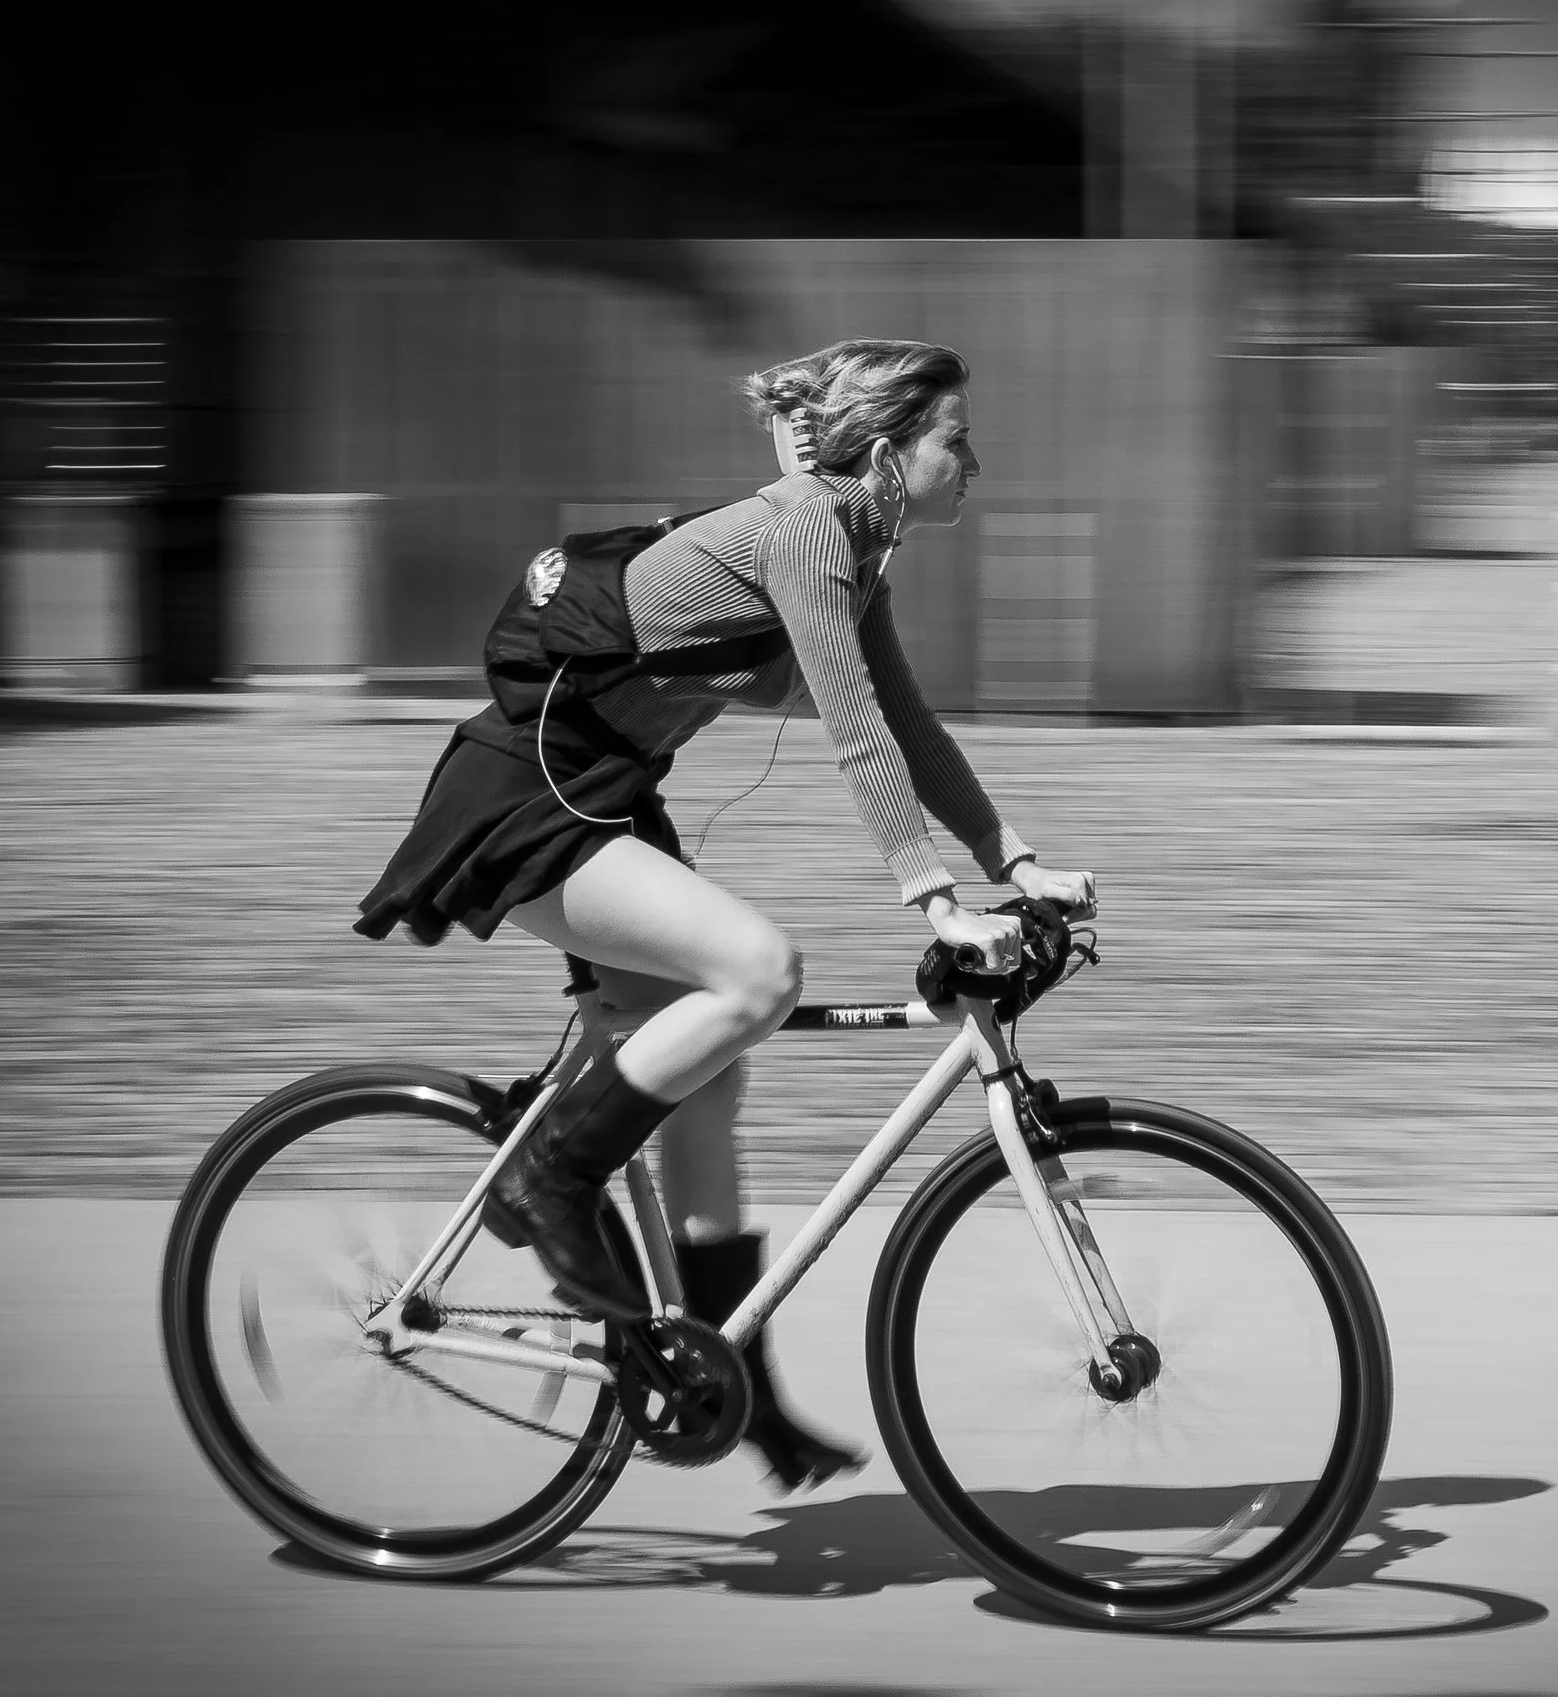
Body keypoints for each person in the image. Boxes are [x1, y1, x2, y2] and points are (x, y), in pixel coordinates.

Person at [354, 339, 1096, 1492]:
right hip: (526, 798)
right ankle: (548, 1177)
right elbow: (850, 735)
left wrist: (1018, 859)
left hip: (602, 799)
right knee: (758, 974)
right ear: (892, 451)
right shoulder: (803, 527)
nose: (976, 459)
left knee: (715, 1071)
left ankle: (728, 1384)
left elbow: (908, 731)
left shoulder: (856, 547)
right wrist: (939, 902)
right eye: (957, 437)